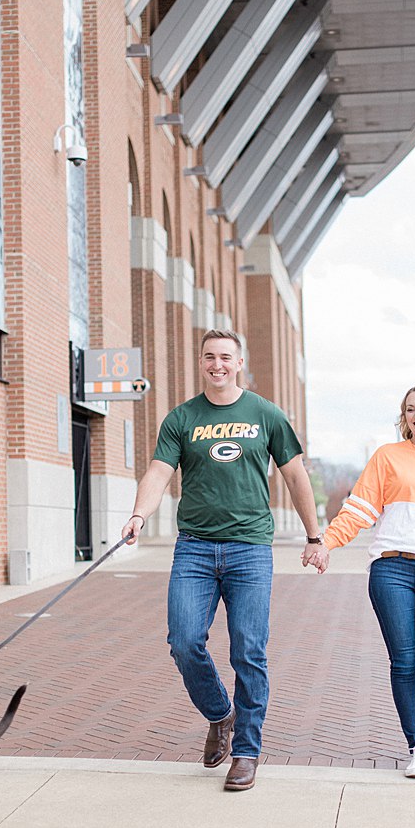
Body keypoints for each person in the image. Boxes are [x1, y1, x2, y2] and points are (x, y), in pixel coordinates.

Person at [122, 329, 326, 792]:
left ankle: (247, 752)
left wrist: (315, 536)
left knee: (248, 652)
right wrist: (139, 514)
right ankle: (220, 713)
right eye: (209, 357)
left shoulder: (265, 414)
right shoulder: (183, 418)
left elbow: (295, 474)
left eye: (225, 357)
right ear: (201, 362)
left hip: (250, 550)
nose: (217, 364)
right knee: (183, 640)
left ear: (239, 363)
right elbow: (159, 471)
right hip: (194, 548)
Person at [310, 384, 415, 778]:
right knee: (403, 662)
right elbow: (359, 508)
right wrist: (327, 543)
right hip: (391, 571)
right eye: (409, 410)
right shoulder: (387, 457)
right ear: (404, 418)